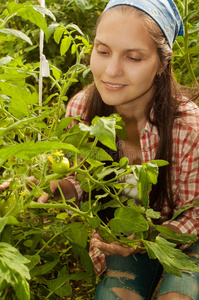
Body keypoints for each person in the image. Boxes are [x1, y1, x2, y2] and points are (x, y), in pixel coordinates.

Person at [1, 0, 199, 299]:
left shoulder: (189, 128)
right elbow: (83, 176)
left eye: (133, 57)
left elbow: (195, 213)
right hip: (125, 233)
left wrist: (146, 239)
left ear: (162, 64)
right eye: (103, 51)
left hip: (186, 233)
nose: (111, 70)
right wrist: (57, 188)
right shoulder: (82, 108)